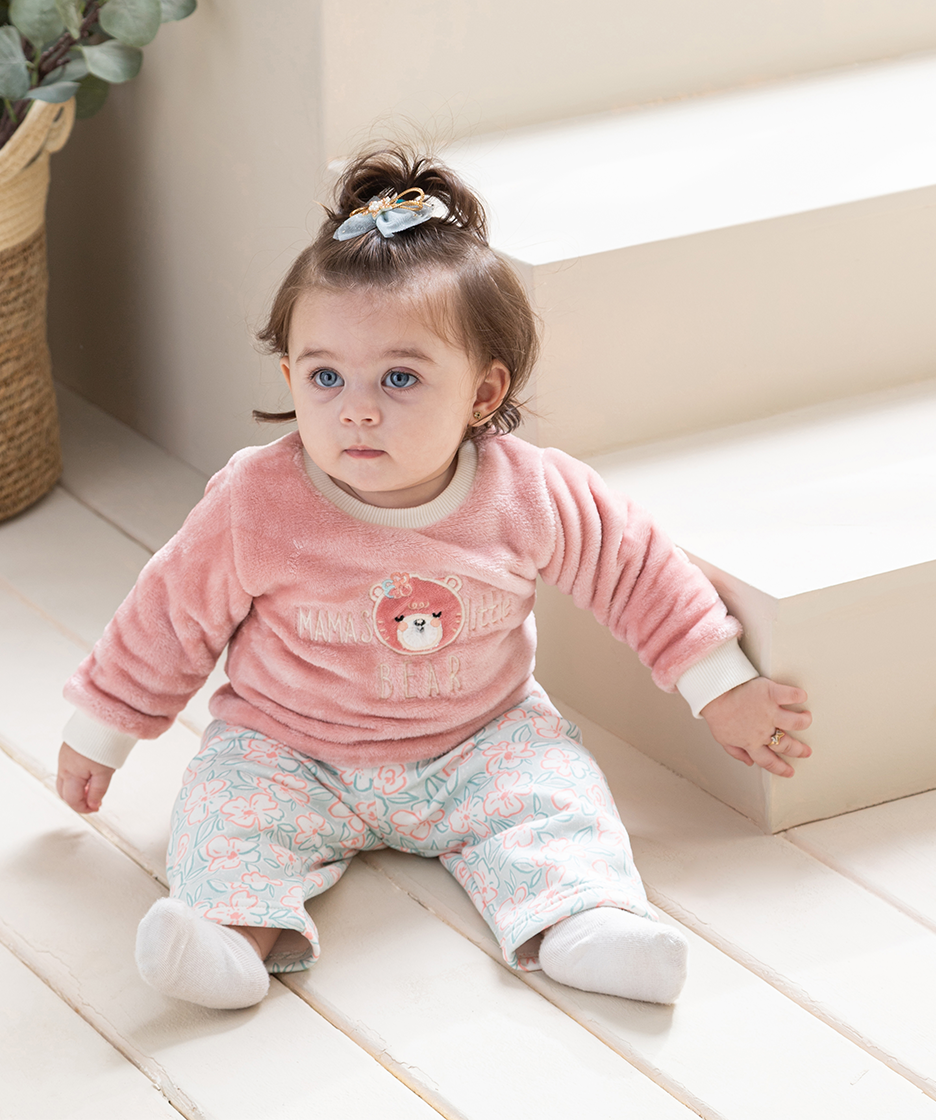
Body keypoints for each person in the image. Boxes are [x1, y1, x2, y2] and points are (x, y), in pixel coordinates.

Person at [56, 147, 812, 1010]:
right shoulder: (257, 501)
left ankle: (586, 922)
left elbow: (635, 569)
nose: (357, 408)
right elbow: (168, 617)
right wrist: (100, 732)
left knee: (556, 802)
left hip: (480, 741)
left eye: (401, 378)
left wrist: (721, 685)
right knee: (226, 815)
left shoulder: (527, 493)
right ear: (290, 376)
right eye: (326, 376)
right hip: (291, 748)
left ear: (483, 393)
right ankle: (228, 940)